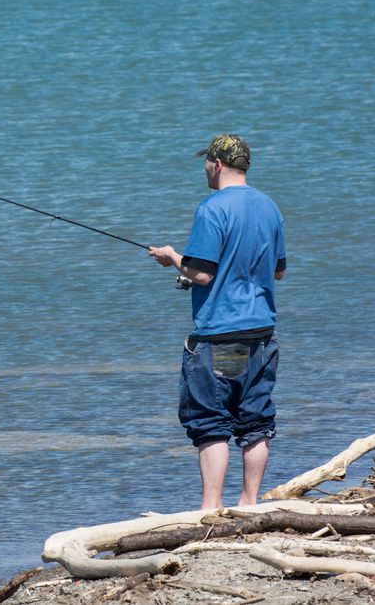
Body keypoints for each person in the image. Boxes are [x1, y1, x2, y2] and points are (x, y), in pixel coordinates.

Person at [148, 134, 286, 510]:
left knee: (211, 424)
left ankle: (211, 509)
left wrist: (173, 257)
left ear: (217, 164)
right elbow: (278, 272)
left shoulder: (212, 209)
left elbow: (203, 274)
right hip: (262, 334)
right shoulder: (269, 207)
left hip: (219, 337)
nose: (206, 169)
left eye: (206, 163)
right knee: (256, 421)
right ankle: (249, 503)